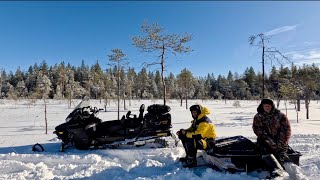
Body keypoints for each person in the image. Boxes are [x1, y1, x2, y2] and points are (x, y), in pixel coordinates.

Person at [253, 98, 291, 177]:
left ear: (272, 106)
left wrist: (279, 142)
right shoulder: (258, 116)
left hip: (280, 141)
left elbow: (286, 130)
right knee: (265, 151)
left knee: (281, 153)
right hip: (264, 141)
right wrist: (270, 142)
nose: (267, 107)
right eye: (265, 106)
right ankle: (275, 171)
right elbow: (258, 130)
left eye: (269, 106)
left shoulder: (280, 115)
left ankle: (280, 172)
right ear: (262, 106)